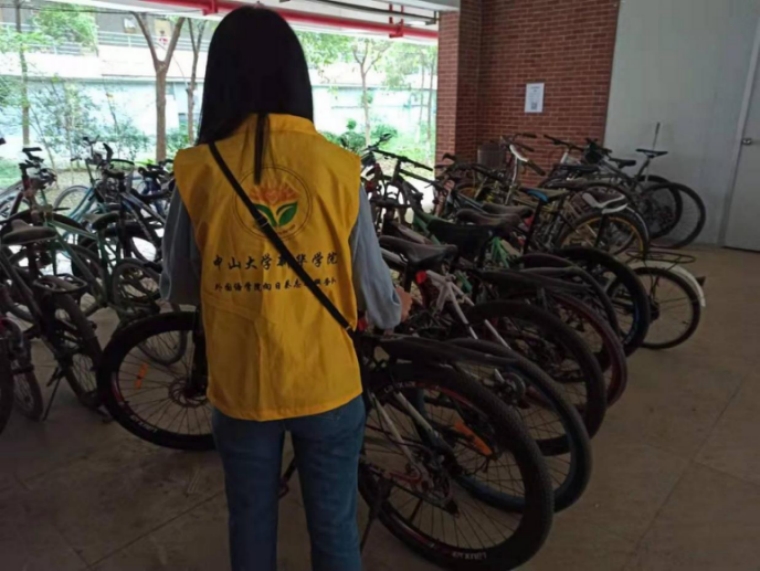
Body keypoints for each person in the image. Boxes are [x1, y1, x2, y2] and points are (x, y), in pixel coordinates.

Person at [160, 6, 411, 571]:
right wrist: (396, 306)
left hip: (242, 385)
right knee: (335, 527)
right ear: (295, 77)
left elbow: (181, 284)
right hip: (328, 383)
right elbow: (377, 299)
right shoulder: (339, 168)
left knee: (250, 521)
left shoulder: (197, 171)